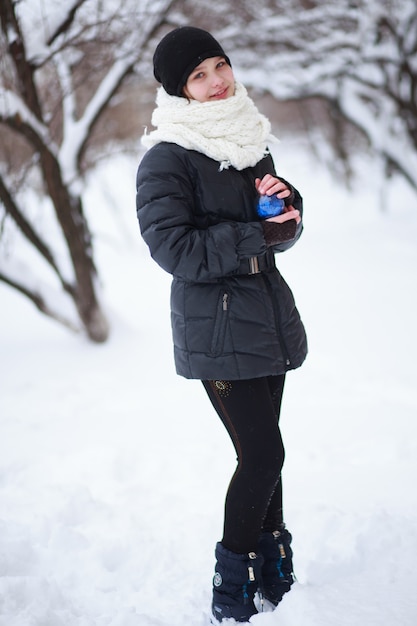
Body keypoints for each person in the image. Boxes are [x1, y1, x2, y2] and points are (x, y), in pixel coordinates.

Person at [136, 26, 308, 623]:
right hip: (217, 329)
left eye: (220, 65)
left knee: (266, 454)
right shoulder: (167, 156)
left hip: (264, 320)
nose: (216, 82)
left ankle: (272, 562)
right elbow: (173, 249)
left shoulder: (249, 139)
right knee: (263, 454)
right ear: (179, 91)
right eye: (199, 76)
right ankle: (231, 580)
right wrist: (257, 235)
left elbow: (275, 218)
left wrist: (286, 211)